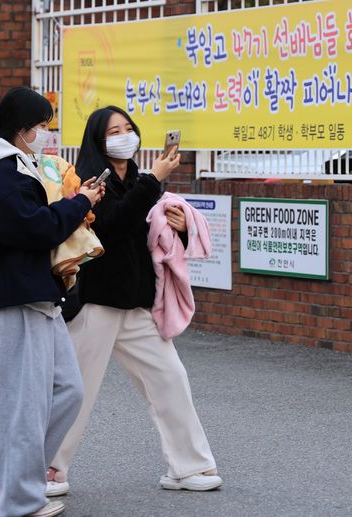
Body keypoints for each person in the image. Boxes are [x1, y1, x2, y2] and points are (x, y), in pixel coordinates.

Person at [47, 105, 222, 496]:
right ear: (98, 138)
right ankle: (48, 468)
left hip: (138, 305)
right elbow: (111, 225)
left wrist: (177, 228)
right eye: (115, 130)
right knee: (76, 390)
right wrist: (154, 182)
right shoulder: (88, 182)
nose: (125, 135)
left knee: (170, 379)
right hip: (95, 304)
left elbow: (146, 235)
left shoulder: (141, 181)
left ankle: (190, 466)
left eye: (129, 128)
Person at [0, 86, 104, 517]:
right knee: (23, 405)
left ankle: (10, 468)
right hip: (12, 298)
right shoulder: (3, 176)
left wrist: (79, 200)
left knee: (67, 390)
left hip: (34, 295)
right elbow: (35, 229)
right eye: (40, 127)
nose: (45, 135)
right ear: (21, 130)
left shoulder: (14, 167)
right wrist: (80, 203)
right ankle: (20, 501)